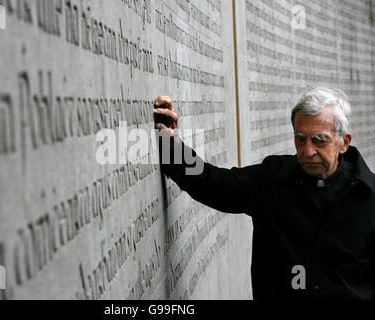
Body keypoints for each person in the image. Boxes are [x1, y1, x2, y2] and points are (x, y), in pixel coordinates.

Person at [153, 88, 374, 300]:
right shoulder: (273, 180)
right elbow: (212, 183)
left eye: (320, 140)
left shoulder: (370, 198)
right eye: (300, 138)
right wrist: (172, 145)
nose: (308, 151)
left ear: (344, 142)